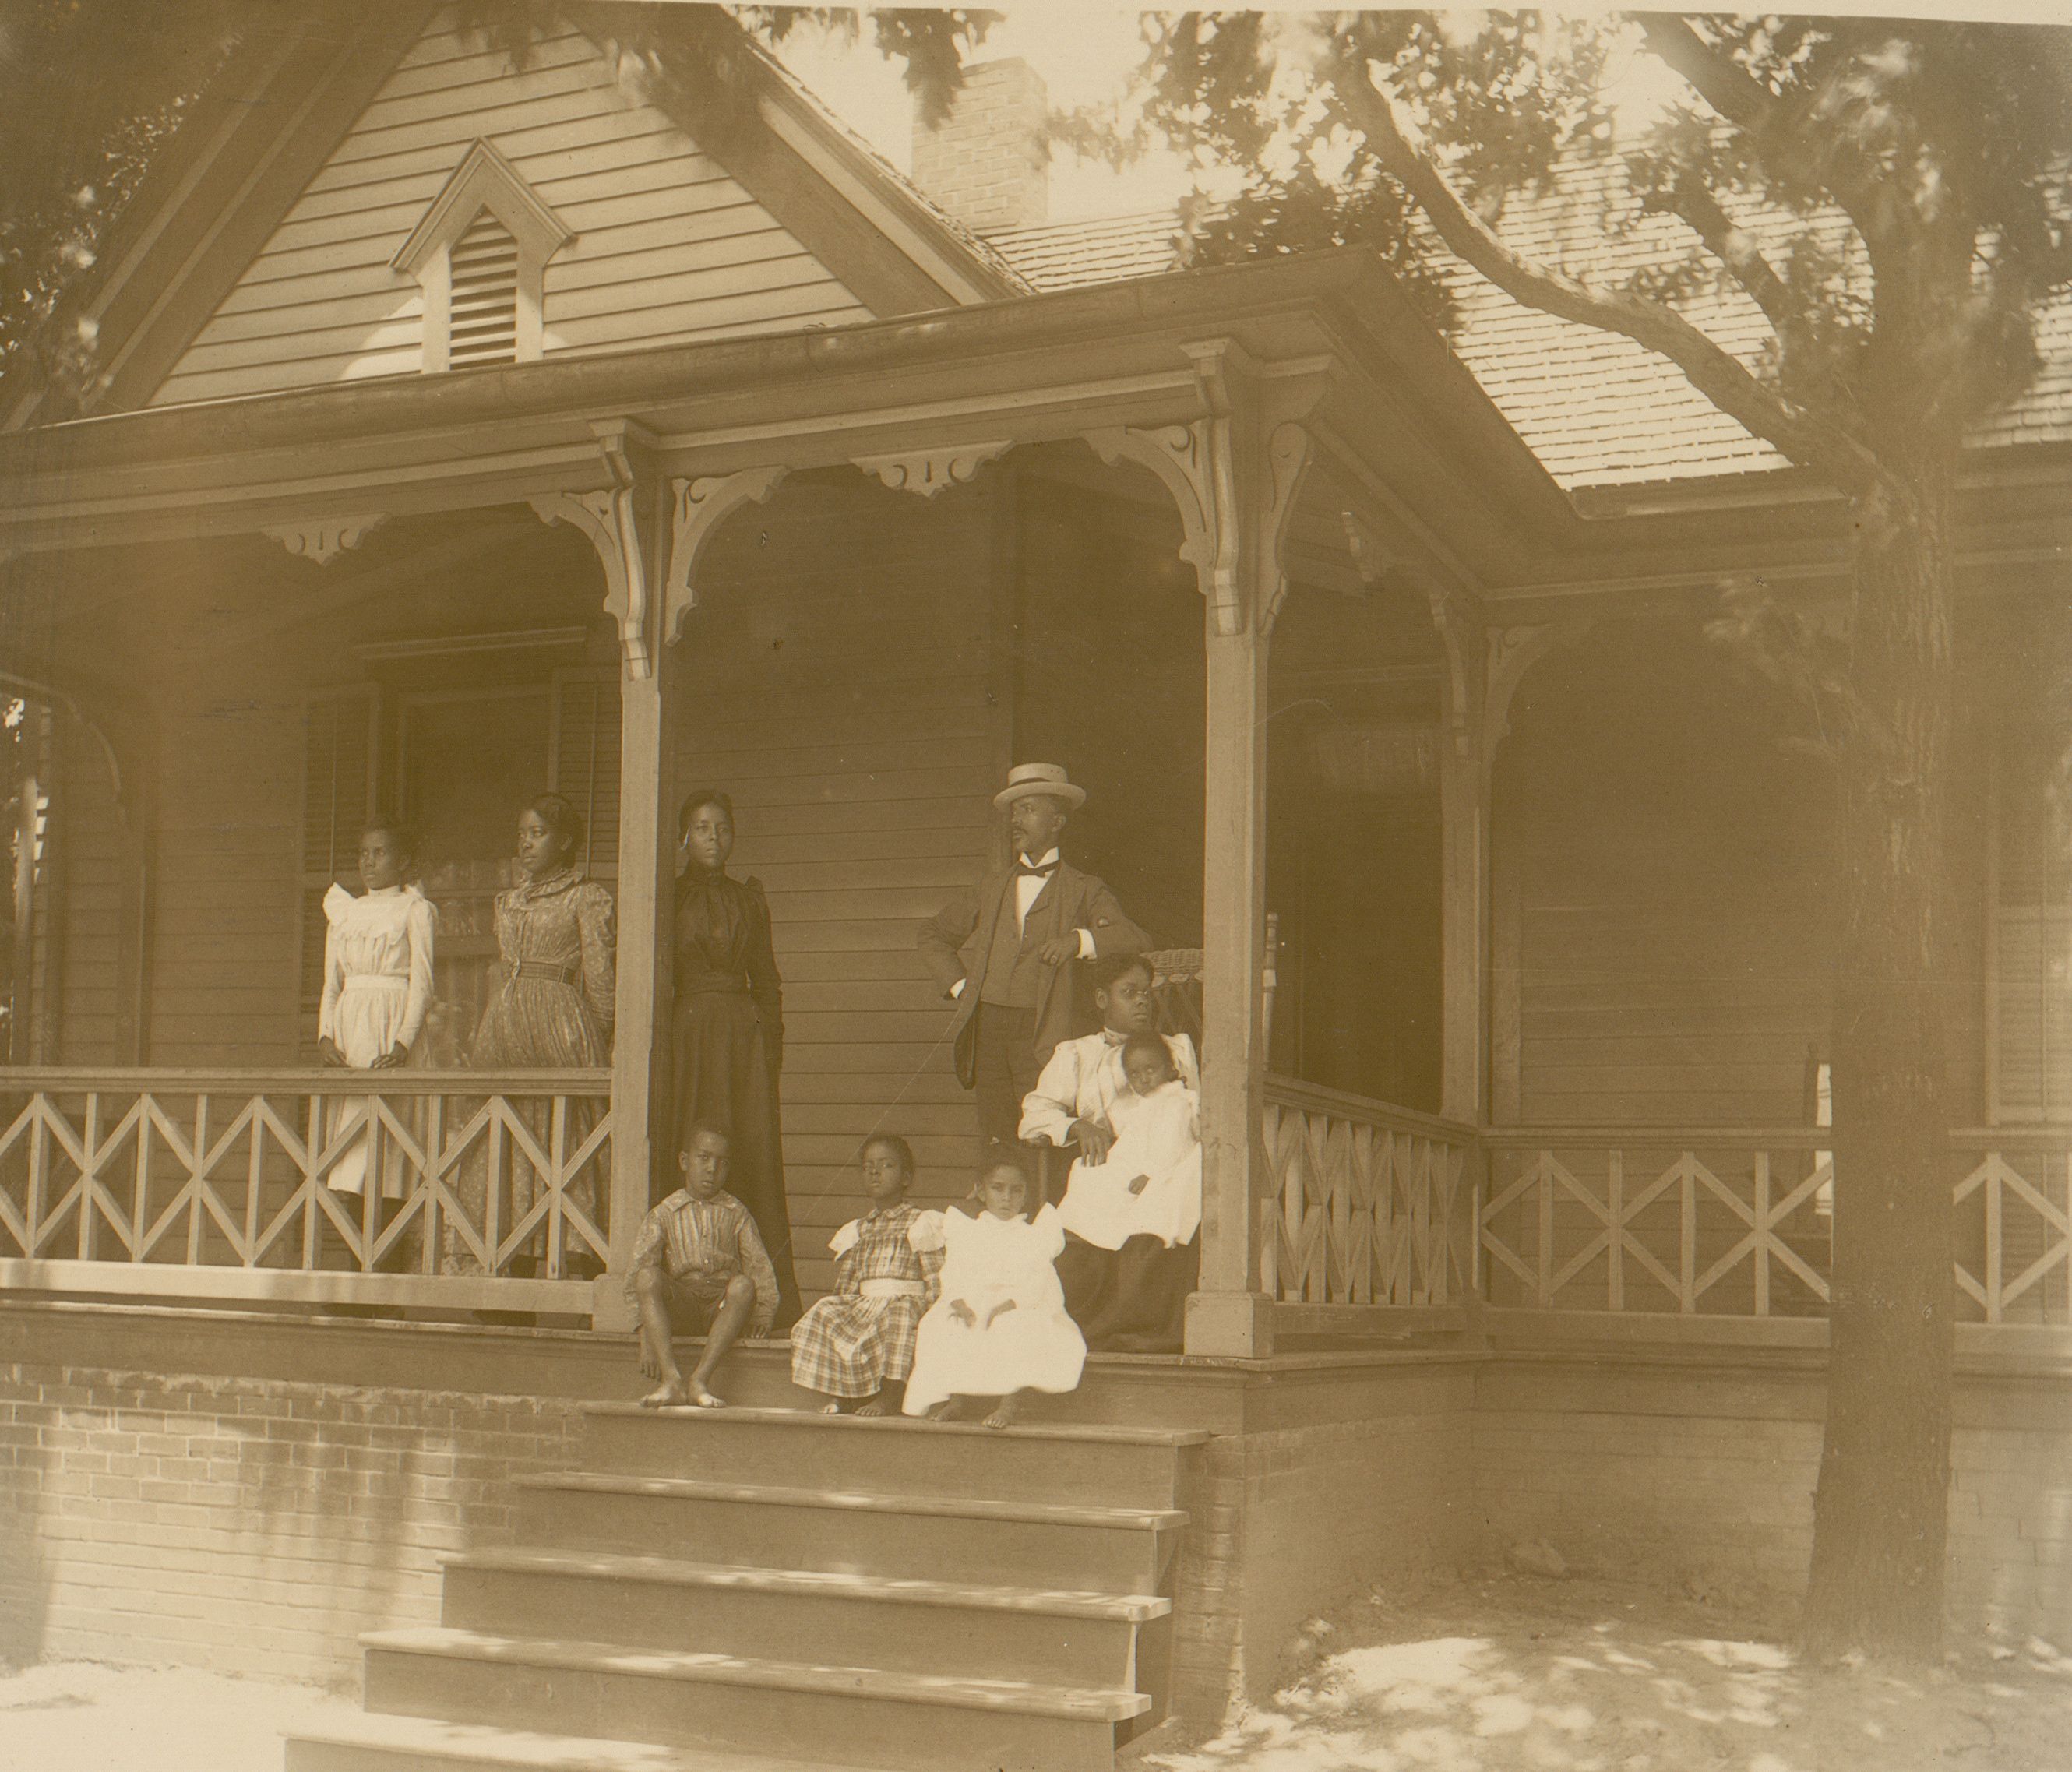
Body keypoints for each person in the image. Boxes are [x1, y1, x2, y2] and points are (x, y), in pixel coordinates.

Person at [919, 763, 1148, 1153]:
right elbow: (933, 936)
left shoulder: (1084, 888)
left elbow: (1133, 938)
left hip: (1044, 1031)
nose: (1015, 820)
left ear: (1057, 820)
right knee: (995, 1134)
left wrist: (1078, 940)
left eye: (1027, 809)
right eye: (1013, 811)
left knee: (1043, 1134)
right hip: (987, 1029)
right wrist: (964, 988)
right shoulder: (991, 886)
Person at [444, 793, 615, 1279]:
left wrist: (595, 1036)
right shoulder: (508, 901)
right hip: (506, 1025)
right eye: (522, 834)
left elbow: (601, 977)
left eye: (537, 834)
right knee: (507, 1137)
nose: (525, 843)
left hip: (561, 1024)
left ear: (563, 841)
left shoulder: (586, 896)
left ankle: (578, 1264)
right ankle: (508, 1265)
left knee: (565, 1138)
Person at [1021, 954, 1203, 1352]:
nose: (1142, 1002)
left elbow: (1192, 1107)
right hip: (1108, 1164)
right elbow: (1034, 1115)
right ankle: (1090, 1321)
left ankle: (1138, 1324)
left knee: (1170, 1202)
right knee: (1092, 1205)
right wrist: (1077, 1126)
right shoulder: (1077, 1053)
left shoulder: (1174, 1048)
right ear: (1102, 999)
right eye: (1129, 993)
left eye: (1146, 994)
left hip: (1167, 1156)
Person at [669, 788, 798, 1328]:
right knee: (691, 1146)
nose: (714, 838)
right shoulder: (669, 898)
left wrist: (769, 1048)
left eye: (722, 827)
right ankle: (685, 1296)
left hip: (743, 1041)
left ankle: (764, 1303)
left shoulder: (750, 900)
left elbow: (768, 982)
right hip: (690, 1036)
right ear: (685, 837)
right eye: (702, 828)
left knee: (750, 1153)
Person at [903, 1154, 1086, 1429]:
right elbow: (954, 1272)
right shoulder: (969, 1232)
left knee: (1010, 1326)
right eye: (997, 1189)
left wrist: (1012, 1303)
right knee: (944, 1325)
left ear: (1025, 1195)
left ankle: (1009, 1401)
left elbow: (1039, 1281)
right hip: (973, 1299)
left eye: (1016, 1191)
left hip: (1022, 1304)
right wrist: (960, 1302)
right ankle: (956, 1397)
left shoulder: (1032, 1236)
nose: (1006, 1198)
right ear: (981, 1191)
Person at [317, 816, 435, 1207]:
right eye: (363, 853)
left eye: (380, 853)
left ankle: (388, 1247)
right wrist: (325, 1034)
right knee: (351, 1152)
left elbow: (422, 982)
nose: (368, 862)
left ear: (403, 861)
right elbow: (332, 983)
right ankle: (358, 1255)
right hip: (352, 1032)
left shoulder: (414, 909)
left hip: (391, 1026)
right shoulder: (345, 911)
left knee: (388, 1149)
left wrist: (404, 1042)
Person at [788, 1135, 944, 1416]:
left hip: (905, 1301)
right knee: (827, 1310)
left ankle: (891, 1394)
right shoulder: (859, 1229)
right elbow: (848, 1281)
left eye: (886, 1165)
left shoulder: (921, 1222)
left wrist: (935, 1310)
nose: (875, 1172)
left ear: (906, 1177)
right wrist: (844, 1307)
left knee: (899, 1313)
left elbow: (934, 1276)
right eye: (868, 1166)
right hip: (868, 1303)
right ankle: (846, 1393)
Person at [628, 1123, 778, 1408]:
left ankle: (699, 1379)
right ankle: (671, 1380)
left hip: (721, 1309)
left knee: (745, 1285)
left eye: (722, 1163)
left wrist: (764, 1313)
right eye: (704, 1158)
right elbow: (636, 1275)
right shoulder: (665, 1212)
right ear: (685, 1161)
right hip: (682, 1306)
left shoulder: (736, 1213)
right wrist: (643, 1332)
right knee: (647, 1277)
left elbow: (759, 1266)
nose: (712, 1169)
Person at [1056, 1031, 1202, 1255]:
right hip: (1135, 1162)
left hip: (1162, 1167)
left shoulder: (1176, 1102)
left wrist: (1150, 1173)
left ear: (1170, 1068)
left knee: (1118, 1190)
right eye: (1135, 1074)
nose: (1144, 1079)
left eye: (1151, 1070)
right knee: (1086, 1173)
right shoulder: (1146, 1102)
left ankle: (1102, 1233)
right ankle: (1081, 1228)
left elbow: (1171, 1143)